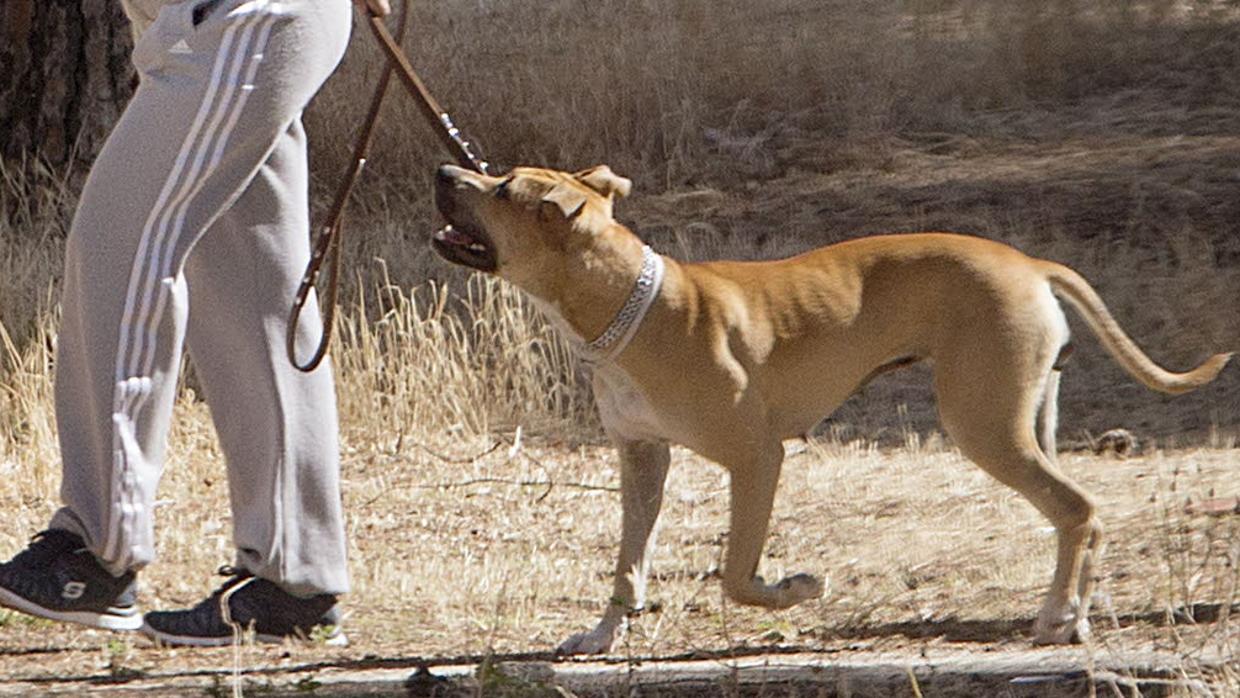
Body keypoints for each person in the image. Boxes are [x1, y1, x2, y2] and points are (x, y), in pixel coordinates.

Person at [0, 0, 390, 647]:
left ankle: (96, 553)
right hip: (203, 26)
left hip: (246, 16)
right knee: (252, 281)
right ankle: (294, 581)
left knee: (120, 243)